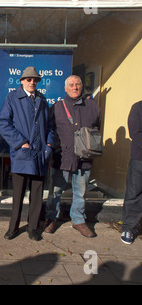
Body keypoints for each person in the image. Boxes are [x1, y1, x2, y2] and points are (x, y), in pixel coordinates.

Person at [0, 66, 54, 241]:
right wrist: (21, 142)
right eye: (28, 79)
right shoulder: (12, 98)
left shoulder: (43, 100)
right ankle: (13, 228)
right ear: (21, 81)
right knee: (18, 194)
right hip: (22, 155)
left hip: (40, 156)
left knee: (37, 196)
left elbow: (51, 126)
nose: (32, 82)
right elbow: (3, 124)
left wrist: (50, 143)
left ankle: (33, 228)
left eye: (35, 79)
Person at [44, 75, 101, 238]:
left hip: (84, 159)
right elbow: (50, 131)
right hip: (61, 157)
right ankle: (51, 218)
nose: (75, 87)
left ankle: (78, 220)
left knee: (80, 192)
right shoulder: (56, 107)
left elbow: (97, 130)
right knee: (55, 192)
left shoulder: (93, 107)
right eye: (71, 85)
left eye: (77, 84)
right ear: (65, 88)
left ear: (81, 87)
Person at [121, 101, 142, 244]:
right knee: (134, 193)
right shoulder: (138, 107)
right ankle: (129, 227)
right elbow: (136, 132)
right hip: (140, 158)